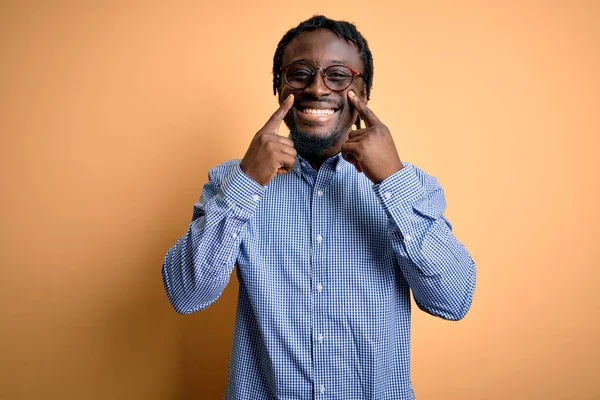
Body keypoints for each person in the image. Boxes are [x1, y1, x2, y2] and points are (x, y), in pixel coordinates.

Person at [162, 15, 477, 400]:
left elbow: (453, 299)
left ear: (363, 91)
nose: (316, 88)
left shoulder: (410, 187)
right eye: (300, 74)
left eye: (338, 75)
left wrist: (392, 181)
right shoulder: (233, 181)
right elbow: (186, 295)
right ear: (279, 87)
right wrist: (246, 182)